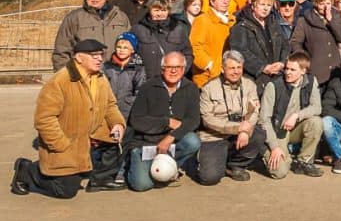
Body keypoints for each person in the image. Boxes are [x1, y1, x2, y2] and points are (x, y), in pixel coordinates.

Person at [12, 38, 126, 198]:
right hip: (67, 142)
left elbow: (110, 106)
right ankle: (27, 170)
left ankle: (100, 178)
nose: (100, 58)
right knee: (66, 191)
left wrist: (117, 124)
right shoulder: (59, 82)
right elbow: (44, 119)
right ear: (79, 58)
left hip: (88, 138)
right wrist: (61, 145)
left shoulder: (100, 78)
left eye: (101, 54)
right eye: (94, 55)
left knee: (119, 138)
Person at [125, 51, 202, 191]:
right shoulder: (148, 87)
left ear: (183, 69)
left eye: (177, 67)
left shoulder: (191, 88)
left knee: (193, 141)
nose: (173, 71)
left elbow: (193, 120)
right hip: (146, 143)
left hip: (172, 141)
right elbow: (136, 120)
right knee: (142, 185)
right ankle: (132, 164)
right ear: (162, 69)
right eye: (169, 67)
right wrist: (166, 122)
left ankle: (170, 168)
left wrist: (170, 137)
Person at [196, 50, 266, 184]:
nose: (236, 71)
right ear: (222, 69)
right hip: (214, 136)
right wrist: (237, 128)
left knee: (259, 135)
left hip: (239, 134)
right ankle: (208, 160)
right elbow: (207, 120)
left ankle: (235, 165)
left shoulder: (249, 85)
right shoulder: (208, 88)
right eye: (232, 68)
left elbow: (254, 111)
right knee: (209, 178)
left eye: (239, 67)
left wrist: (245, 130)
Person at [257, 51, 324, 179]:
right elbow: (264, 120)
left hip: (295, 128)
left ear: (303, 71)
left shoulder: (311, 81)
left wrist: (296, 115)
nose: (287, 72)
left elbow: (317, 107)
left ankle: (303, 162)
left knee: (316, 122)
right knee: (279, 172)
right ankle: (264, 152)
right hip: (277, 132)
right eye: (287, 68)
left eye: (293, 70)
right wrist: (274, 147)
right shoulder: (274, 86)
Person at [52, 0, 131, 70]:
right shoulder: (74, 18)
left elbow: (130, 47)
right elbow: (61, 52)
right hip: (85, 76)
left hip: (116, 75)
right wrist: (68, 77)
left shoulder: (121, 17)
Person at [229, 0, 288, 93]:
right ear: (253, 5)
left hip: (277, 76)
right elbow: (240, 52)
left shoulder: (274, 24)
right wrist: (262, 67)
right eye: (262, 4)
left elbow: (285, 45)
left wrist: (282, 62)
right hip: (254, 79)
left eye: (268, 5)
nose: (265, 8)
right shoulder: (241, 27)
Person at [290, 0, 341, 86]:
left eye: (328, 3)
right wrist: (306, 60)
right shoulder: (304, 20)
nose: (326, 7)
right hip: (316, 70)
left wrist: (331, 21)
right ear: (315, 4)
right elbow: (295, 42)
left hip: (335, 70)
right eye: (322, 4)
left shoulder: (336, 16)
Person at [132, 0, 194, 79]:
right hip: (146, 80)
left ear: (168, 11)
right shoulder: (138, 29)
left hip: (172, 80)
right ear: (150, 10)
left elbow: (188, 53)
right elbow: (130, 54)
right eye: (156, 10)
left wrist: (179, 72)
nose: (160, 14)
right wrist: (137, 74)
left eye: (164, 10)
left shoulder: (178, 29)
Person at [190, 0, 237, 88]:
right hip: (207, 79)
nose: (224, 2)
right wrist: (210, 65)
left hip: (229, 76)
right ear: (212, 1)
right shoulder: (202, 20)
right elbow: (195, 47)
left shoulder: (233, 21)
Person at [102, 32, 146, 120]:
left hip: (128, 111)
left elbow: (140, 91)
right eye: (118, 47)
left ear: (133, 50)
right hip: (108, 109)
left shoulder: (138, 68)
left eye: (125, 48)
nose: (121, 50)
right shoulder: (106, 67)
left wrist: (130, 102)